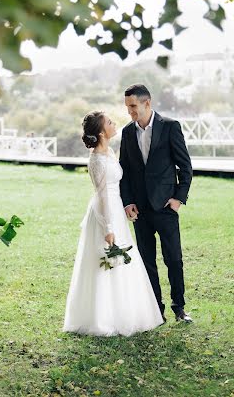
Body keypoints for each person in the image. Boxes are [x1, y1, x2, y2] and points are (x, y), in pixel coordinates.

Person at [63, 111, 163, 336]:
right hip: (105, 213)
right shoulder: (97, 159)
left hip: (116, 209)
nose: (114, 123)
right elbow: (102, 197)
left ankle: (125, 311)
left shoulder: (108, 152)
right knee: (106, 261)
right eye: (109, 122)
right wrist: (108, 228)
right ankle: (103, 318)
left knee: (122, 261)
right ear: (100, 132)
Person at [120, 84, 193, 323]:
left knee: (174, 259)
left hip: (165, 207)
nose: (130, 111)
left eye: (133, 106)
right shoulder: (127, 133)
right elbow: (126, 171)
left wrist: (178, 199)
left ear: (147, 103)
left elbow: (185, 166)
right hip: (140, 210)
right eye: (127, 107)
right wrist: (128, 202)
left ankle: (179, 308)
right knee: (146, 262)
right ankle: (155, 311)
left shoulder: (170, 127)